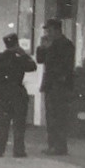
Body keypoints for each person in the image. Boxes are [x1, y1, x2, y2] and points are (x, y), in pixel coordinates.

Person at [0, 32, 37, 158]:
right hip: (17, 92)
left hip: (3, 94)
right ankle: (18, 150)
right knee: (19, 123)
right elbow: (32, 67)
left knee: (3, 122)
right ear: (16, 44)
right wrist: (24, 54)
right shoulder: (19, 59)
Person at [35, 18, 76, 155]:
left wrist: (49, 49)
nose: (47, 33)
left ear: (57, 30)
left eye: (50, 30)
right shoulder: (49, 44)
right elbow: (40, 60)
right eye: (46, 30)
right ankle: (52, 145)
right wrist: (42, 47)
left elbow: (64, 65)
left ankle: (60, 146)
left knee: (59, 116)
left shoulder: (66, 44)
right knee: (50, 116)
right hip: (50, 84)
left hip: (60, 84)